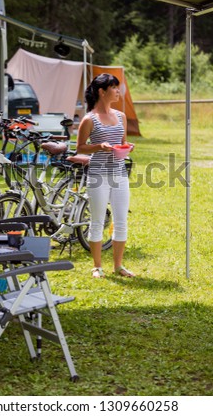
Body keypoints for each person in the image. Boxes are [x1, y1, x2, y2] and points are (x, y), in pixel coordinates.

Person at [76, 73, 135, 278]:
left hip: (119, 174)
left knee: (121, 221)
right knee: (97, 220)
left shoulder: (121, 117)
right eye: (114, 88)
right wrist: (99, 146)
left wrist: (127, 148)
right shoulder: (89, 119)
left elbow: (122, 142)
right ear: (102, 91)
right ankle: (97, 266)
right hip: (98, 175)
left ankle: (118, 266)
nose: (118, 91)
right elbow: (81, 148)